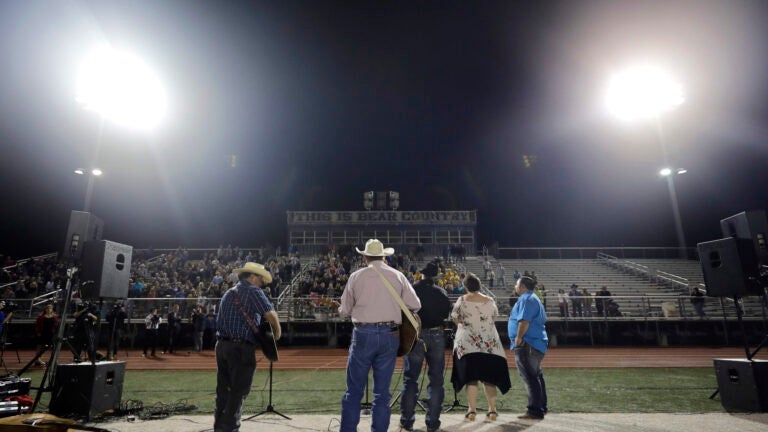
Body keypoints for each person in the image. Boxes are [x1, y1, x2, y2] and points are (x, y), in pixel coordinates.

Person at [337, 239, 420, 432]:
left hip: (363, 334)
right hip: (390, 334)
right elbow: (416, 305)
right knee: (382, 394)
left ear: (365, 257)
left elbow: (345, 310)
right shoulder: (397, 276)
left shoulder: (356, 277)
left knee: (354, 390)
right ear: (384, 256)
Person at [215, 262, 282, 432]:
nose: (262, 283)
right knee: (238, 392)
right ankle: (230, 429)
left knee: (223, 392)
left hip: (222, 346)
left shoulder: (228, 293)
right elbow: (270, 314)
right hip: (240, 348)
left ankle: (219, 428)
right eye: (260, 278)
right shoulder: (253, 290)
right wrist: (277, 333)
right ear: (252, 277)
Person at [450, 273, 510, 422]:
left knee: (471, 379)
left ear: (465, 286)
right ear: (479, 285)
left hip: (468, 346)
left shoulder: (462, 300)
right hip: (490, 345)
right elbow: (494, 317)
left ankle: (472, 411)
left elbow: (454, 317)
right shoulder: (490, 301)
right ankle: (493, 410)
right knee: (489, 379)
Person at [399, 262, 451, 432]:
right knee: (436, 380)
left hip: (415, 335)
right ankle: (433, 423)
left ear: (421, 275)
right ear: (435, 276)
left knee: (410, 379)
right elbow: (446, 313)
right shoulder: (441, 292)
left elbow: (403, 310)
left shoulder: (412, 290)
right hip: (436, 335)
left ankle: (407, 421)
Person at [509, 276, 548, 420]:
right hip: (535, 342)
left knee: (530, 377)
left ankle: (534, 410)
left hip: (528, 343)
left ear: (523, 286)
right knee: (536, 376)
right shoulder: (533, 298)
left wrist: (518, 337)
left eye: (517, 284)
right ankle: (541, 407)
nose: (515, 286)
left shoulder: (526, 299)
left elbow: (524, 321)